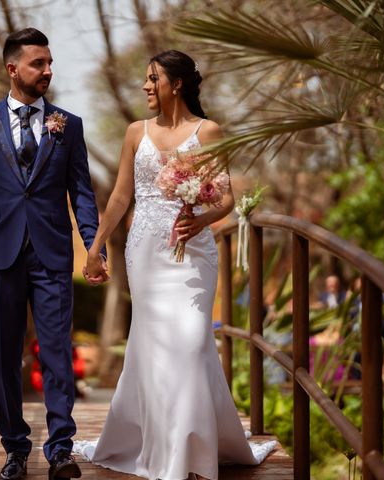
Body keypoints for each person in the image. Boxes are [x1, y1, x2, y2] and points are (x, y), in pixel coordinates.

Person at [77, 50, 275, 480]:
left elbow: (225, 198)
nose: (147, 86)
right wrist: (95, 247)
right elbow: (120, 197)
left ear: (177, 84)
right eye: (146, 80)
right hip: (145, 250)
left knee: (189, 342)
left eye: (153, 79)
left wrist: (199, 218)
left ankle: (190, 449)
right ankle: (168, 446)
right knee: (155, 348)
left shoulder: (209, 131)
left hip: (193, 253)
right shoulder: (135, 132)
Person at [0, 28, 106, 480]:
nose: (47, 71)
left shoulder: (68, 124)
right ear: (12, 68)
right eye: (38, 63)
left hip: (51, 252)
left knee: (58, 351)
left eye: (50, 62)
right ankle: (15, 449)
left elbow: (82, 191)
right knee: (2, 355)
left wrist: (93, 246)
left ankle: (60, 449)